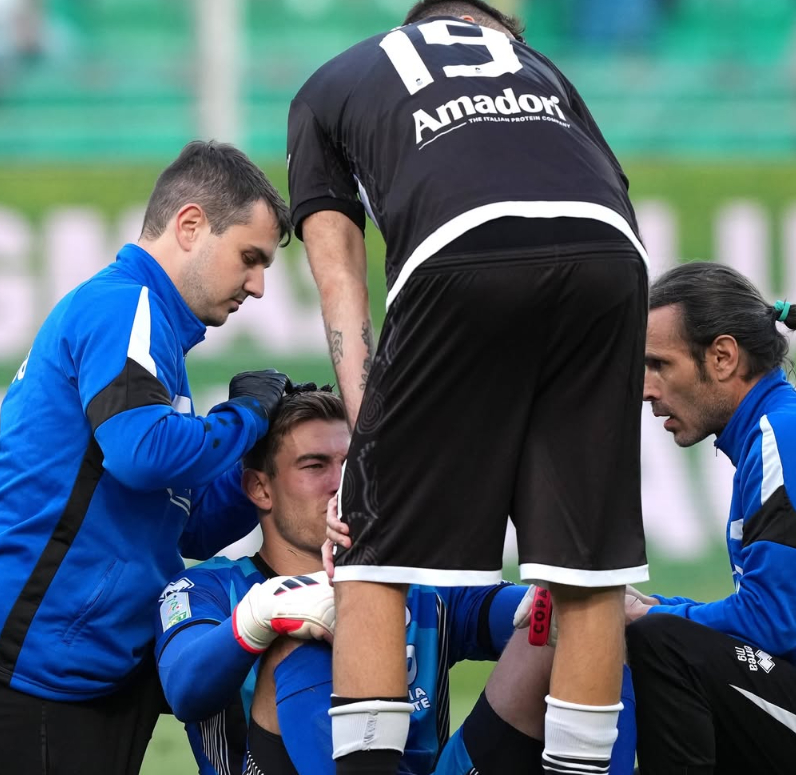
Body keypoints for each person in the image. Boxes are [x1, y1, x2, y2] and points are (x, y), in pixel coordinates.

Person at [286, 1, 650, 773]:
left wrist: (370, 449)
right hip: (613, 257)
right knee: (587, 565)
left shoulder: (330, 83)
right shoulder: (541, 68)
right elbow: (608, 190)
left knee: (370, 554)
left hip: (462, 246)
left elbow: (340, 278)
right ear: (495, 32)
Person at [155, 387, 638, 775]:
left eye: (351, 465)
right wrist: (261, 617)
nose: (342, 484)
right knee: (296, 629)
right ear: (260, 488)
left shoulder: (420, 583)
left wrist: (584, 603)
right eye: (315, 466)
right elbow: (184, 688)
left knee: (577, 616)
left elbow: (521, 612)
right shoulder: (207, 589)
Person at [0, 139, 293, 774]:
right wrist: (246, 416)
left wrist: (262, 469)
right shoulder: (125, 305)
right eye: (250, 258)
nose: (259, 286)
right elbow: (143, 454)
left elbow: (188, 524)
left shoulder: (154, 334)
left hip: (88, 665)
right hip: (42, 668)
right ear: (190, 226)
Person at [626, 261, 796, 774]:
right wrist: (658, 605)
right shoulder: (781, 429)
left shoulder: (783, 436)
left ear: (722, 357)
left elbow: (768, 625)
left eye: (659, 365)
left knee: (661, 645)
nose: (646, 390)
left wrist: (652, 618)